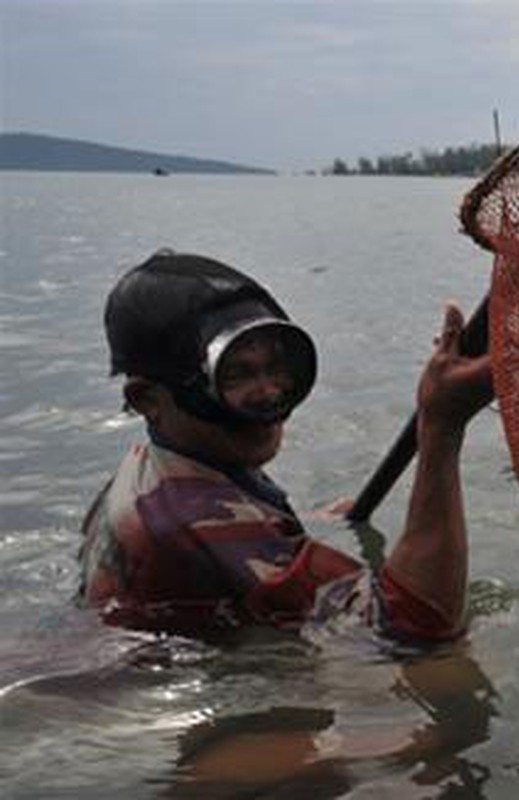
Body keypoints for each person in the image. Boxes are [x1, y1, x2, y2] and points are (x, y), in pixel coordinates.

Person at [79, 250, 493, 641]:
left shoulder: (149, 468)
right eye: (235, 376)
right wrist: (441, 426)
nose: (270, 393)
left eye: (279, 367)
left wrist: (299, 527)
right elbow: (418, 626)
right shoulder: (195, 521)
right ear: (148, 400)